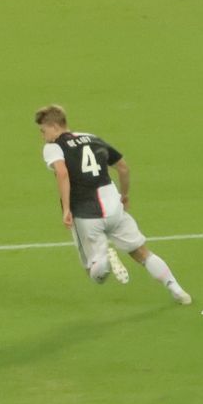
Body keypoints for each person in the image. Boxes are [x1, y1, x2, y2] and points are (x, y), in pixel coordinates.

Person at [35, 105, 191, 305]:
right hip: (113, 206)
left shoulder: (53, 147)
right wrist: (124, 195)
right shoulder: (92, 138)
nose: (42, 136)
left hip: (86, 214)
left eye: (43, 130)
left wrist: (66, 208)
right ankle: (177, 290)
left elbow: (63, 174)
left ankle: (105, 257)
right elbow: (123, 168)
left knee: (95, 273)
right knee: (142, 252)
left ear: (54, 126)